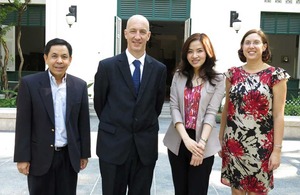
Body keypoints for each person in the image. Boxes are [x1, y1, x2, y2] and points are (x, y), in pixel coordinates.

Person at [93, 14, 167, 195]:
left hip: (144, 148)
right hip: (113, 146)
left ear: (148, 36)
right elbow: (99, 104)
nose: (137, 36)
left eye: (142, 32)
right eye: (133, 31)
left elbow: (156, 106)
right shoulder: (107, 67)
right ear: (125, 33)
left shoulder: (159, 69)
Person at [14, 38, 91, 195]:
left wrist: (84, 154)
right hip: (39, 156)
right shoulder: (30, 84)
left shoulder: (79, 86)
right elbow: (23, 123)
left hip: (68, 157)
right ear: (46, 58)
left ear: (70, 59)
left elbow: (83, 123)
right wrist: (22, 158)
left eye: (64, 56)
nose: (59, 61)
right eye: (54, 56)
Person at [219, 29, 290, 195]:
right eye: (247, 42)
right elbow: (227, 109)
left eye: (256, 42)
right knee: (236, 191)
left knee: (257, 192)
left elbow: (279, 115)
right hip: (234, 144)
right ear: (242, 47)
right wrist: (220, 137)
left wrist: (277, 150)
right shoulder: (232, 74)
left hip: (261, 146)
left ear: (264, 47)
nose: (251, 46)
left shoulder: (275, 75)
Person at [163, 33, 225, 195]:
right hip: (178, 140)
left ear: (208, 52)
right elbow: (174, 107)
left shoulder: (218, 79)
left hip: (203, 141)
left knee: (198, 190)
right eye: (190, 51)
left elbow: (211, 113)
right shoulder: (178, 75)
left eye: (199, 51)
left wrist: (200, 146)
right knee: (180, 190)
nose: (194, 55)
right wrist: (186, 140)